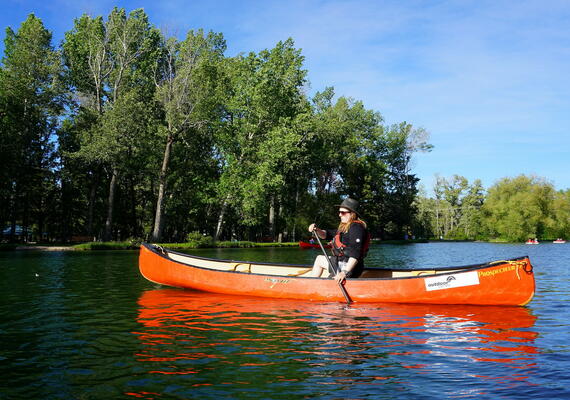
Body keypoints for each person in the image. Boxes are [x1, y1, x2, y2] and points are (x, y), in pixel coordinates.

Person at [308, 198, 370, 282]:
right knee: (319, 259)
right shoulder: (345, 227)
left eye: (343, 212)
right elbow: (326, 234)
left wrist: (344, 272)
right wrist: (317, 229)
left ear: (352, 214)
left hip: (349, 267)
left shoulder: (356, 227)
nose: (339, 215)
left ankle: (310, 285)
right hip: (342, 263)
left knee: (319, 260)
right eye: (339, 212)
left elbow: (356, 253)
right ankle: (313, 283)